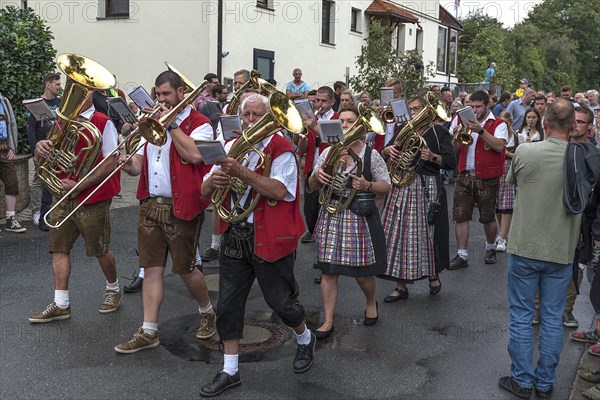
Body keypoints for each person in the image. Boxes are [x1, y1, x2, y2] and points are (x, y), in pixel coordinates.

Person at [200, 93, 314, 397]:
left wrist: (242, 173)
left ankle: (304, 338)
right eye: (246, 114)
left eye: (256, 115)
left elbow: (280, 190)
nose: (250, 121)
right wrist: (216, 182)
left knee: (281, 303)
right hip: (236, 234)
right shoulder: (231, 146)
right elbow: (204, 189)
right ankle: (230, 370)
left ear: (269, 118)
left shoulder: (282, 148)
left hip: (270, 236)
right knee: (227, 306)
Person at [114, 70, 216, 353]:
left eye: (166, 95)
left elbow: (195, 155)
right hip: (150, 204)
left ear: (181, 93)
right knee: (151, 269)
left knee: (185, 269)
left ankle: (206, 310)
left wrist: (171, 125)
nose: (161, 100)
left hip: (182, 207)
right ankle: (149, 331)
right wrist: (126, 162)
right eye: (158, 95)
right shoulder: (151, 123)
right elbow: (138, 164)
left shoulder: (201, 123)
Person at [498, 99, 592, 399]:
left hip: (524, 245)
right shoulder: (584, 158)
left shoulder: (526, 150)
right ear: (574, 127)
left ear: (545, 124)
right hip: (561, 250)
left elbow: (514, 181)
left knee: (522, 315)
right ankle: (544, 381)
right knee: (553, 319)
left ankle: (522, 380)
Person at [28, 93, 121, 322]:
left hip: (92, 196)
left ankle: (113, 289)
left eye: (81, 90)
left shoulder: (102, 121)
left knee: (100, 248)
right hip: (63, 193)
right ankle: (61, 303)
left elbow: (111, 161)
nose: (74, 94)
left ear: (90, 94)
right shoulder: (63, 121)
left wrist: (79, 185)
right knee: (58, 247)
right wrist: (40, 149)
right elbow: (48, 158)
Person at [308, 105, 390, 337]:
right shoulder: (328, 152)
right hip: (332, 213)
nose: (344, 125)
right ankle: (328, 320)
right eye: (341, 121)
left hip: (358, 215)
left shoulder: (370, 154)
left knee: (363, 274)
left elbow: (387, 184)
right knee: (328, 272)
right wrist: (317, 176)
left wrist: (367, 185)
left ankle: (371, 302)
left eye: (350, 121)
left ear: (360, 126)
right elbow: (312, 186)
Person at [379, 96, 456, 301]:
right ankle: (400, 286)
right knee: (399, 235)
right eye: (411, 109)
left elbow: (450, 162)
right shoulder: (404, 128)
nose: (414, 112)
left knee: (426, 234)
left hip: (426, 185)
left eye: (418, 108)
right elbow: (385, 150)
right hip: (402, 184)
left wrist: (431, 156)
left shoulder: (438, 131)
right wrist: (387, 151)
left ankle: (433, 275)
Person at [448, 90, 508, 269]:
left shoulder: (499, 123)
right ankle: (462, 254)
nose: (474, 110)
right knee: (460, 216)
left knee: (487, 217)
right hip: (465, 174)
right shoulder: (460, 120)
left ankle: (490, 247)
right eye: (471, 107)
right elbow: (453, 152)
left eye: (478, 107)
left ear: (487, 105)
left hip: (488, 177)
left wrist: (480, 130)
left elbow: (499, 146)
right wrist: (456, 136)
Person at [296, 86, 339, 247]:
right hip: (311, 167)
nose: (319, 104)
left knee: (326, 205)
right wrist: (302, 137)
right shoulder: (310, 118)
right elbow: (301, 151)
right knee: (309, 207)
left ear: (332, 101)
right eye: (316, 101)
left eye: (323, 101)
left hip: (329, 169)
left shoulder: (337, 118)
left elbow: (335, 141)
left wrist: (314, 127)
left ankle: (325, 236)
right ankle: (313, 230)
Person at [27, 72, 61, 230]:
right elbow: (31, 130)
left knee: (54, 179)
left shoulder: (61, 103)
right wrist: (35, 150)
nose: (59, 87)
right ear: (48, 85)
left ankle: (52, 210)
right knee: (38, 180)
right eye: (57, 84)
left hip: (58, 147)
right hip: (42, 148)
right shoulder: (36, 104)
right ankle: (36, 211)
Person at [0, 91, 26, 233]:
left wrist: (12, 146)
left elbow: (12, 123)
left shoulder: (4, 99)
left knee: (12, 183)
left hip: (3, 147)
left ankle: (10, 220)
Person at [494, 111, 518, 253]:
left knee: (507, 206)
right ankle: (502, 231)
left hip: (510, 170)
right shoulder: (496, 135)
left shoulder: (517, 136)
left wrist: (507, 154)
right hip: (497, 170)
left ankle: (503, 238)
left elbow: (521, 155)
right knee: (497, 206)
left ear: (510, 122)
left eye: (505, 123)